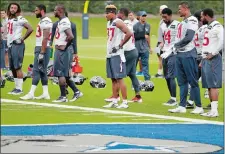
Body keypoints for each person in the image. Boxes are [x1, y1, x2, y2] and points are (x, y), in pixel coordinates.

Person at [168, 2, 204, 114]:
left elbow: (189, 37)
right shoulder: (181, 23)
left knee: (192, 80)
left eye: (180, 9)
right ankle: (182, 106)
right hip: (179, 54)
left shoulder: (192, 20)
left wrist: (176, 46)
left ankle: (198, 106)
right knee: (181, 81)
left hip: (188, 53)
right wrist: (171, 48)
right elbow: (179, 38)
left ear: (186, 9)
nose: (178, 11)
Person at [20, 4, 52, 100]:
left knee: (36, 70)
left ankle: (31, 93)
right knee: (42, 72)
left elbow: (46, 37)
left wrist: (42, 52)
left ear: (42, 11)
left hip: (43, 48)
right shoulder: (42, 20)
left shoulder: (46, 21)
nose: (35, 12)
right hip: (41, 47)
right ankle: (46, 93)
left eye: (36, 10)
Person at [103, 4, 132, 109]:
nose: (105, 15)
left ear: (112, 13)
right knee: (113, 79)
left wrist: (120, 45)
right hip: (110, 54)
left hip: (117, 55)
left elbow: (129, 33)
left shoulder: (118, 22)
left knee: (120, 78)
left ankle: (125, 102)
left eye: (107, 13)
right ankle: (115, 101)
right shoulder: (109, 23)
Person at [50, 11, 83, 102]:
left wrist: (67, 47)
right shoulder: (58, 23)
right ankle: (76, 91)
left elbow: (72, 38)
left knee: (61, 73)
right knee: (65, 73)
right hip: (63, 49)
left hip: (64, 50)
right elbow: (53, 36)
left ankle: (63, 96)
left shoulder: (67, 24)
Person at [200, 8, 223, 117]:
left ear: (206, 15)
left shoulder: (217, 26)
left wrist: (213, 53)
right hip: (205, 58)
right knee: (208, 85)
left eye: (202, 16)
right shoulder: (208, 27)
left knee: (213, 85)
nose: (201, 18)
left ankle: (215, 110)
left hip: (212, 58)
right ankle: (212, 109)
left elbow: (222, 41)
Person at [7, 2, 33, 95]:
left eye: (15, 8)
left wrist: (22, 38)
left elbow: (30, 28)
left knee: (18, 67)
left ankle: (20, 89)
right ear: (9, 9)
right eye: (11, 7)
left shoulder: (20, 18)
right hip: (10, 45)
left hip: (17, 45)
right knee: (12, 67)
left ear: (18, 9)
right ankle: (16, 87)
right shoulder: (10, 19)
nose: (13, 9)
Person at [118, 8, 142, 102]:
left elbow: (125, 35)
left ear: (122, 14)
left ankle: (118, 96)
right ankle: (138, 96)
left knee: (120, 75)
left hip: (128, 51)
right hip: (133, 50)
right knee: (132, 74)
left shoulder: (125, 23)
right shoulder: (130, 23)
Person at [186, 10, 208, 109]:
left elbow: (207, 43)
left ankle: (211, 103)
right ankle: (191, 101)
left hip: (203, 56)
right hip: (198, 55)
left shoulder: (204, 28)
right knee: (194, 79)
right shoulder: (199, 29)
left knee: (209, 81)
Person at [159, 8, 179, 106]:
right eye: (162, 17)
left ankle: (174, 99)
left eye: (165, 17)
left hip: (173, 53)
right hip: (165, 52)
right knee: (166, 76)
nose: (164, 19)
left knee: (171, 76)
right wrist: (160, 45)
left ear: (170, 15)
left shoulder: (177, 24)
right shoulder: (162, 25)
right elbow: (162, 38)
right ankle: (172, 97)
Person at [133, 11, 151, 81]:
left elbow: (147, 36)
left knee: (145, 66)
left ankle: (147, 82)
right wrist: (142, 35)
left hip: (145, 49)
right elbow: (134, 36)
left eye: (145, 16)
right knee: (134, 66)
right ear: (139, 17)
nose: (144, 17)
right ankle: (134, 82)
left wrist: (149, 47)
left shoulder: (148, 25)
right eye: (143, 16)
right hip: (136, 48)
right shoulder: (135, 26)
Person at [155, 5, 168, 78]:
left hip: (164, 42)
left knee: (164, 58)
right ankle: (160, 72)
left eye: (161, 9)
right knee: (159, 57)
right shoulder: (161, 21)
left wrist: (162, 43)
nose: (160, 11)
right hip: (160, 42)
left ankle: (164, 73)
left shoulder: (165, 21)